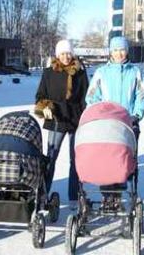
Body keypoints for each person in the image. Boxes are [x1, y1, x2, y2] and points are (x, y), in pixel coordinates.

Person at [86, 36, 144, 210]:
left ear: (127, 51)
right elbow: (91, 97)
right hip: (107, 124)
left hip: (129, 123)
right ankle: (107, 196)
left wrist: (136, 115)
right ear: (110, 52)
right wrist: (101, 114)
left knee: (125, 160)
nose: (119, 53)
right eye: (115, 50)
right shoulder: (101, 72)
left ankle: (120, 193)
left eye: (122, 50)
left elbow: (143, 95)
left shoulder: (134, 72)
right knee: (106, 160)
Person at [35, 39, 89, 210]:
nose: (66, 57)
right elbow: (40, 95)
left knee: (76, 160)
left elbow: (85, 97)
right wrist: (45, 107)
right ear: (57, 55)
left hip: (75, 119)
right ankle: (44, 193)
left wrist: (85, 116)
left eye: (68, 53)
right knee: (51, 157)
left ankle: (74, 195)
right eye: (62, 53)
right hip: (56, 119)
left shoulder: (80, 72)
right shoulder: (49, 72)